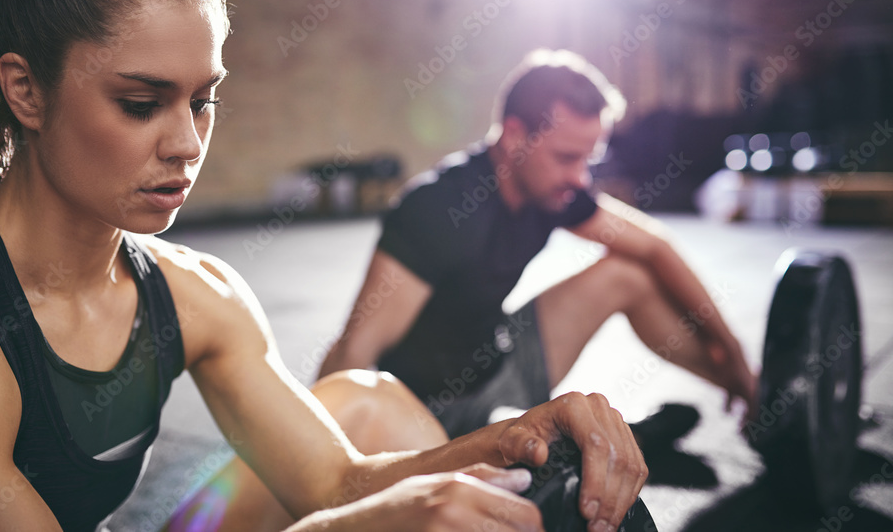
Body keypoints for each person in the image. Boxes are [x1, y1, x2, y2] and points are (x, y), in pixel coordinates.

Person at [0, 0, 646, 531]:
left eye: (203, 100)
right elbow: (341, 513)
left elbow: (335, 482)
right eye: (140, 102)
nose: (187, 142)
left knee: (371, 400)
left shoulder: (196, 293)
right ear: (25, 89)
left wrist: (515, 438)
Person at [317, 49, 759, 439]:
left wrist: (733, 356)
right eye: (567, 157)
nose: (580, 178)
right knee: (517, 472)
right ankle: (585, 443)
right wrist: (333, 476)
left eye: (589, 159)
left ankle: (755, 396)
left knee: (628, 273)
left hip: (499, 363)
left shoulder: (553, 191)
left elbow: (655, 247)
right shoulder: (436, 210)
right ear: (514, 137)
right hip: (425, 419)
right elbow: (353, 355)